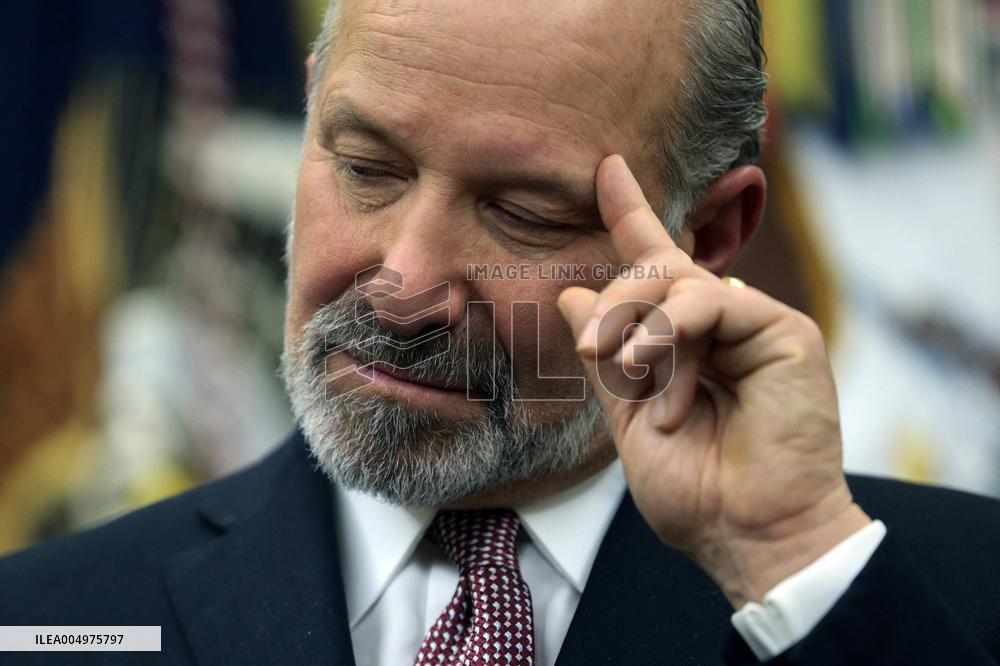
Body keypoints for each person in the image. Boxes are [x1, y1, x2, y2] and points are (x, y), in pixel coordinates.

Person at [2, 1, 999, 664]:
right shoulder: (48, 621)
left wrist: (796, 570)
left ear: (708, 234)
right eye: (366, 167)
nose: (407, 281)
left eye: (522, 213)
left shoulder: (935, 599)